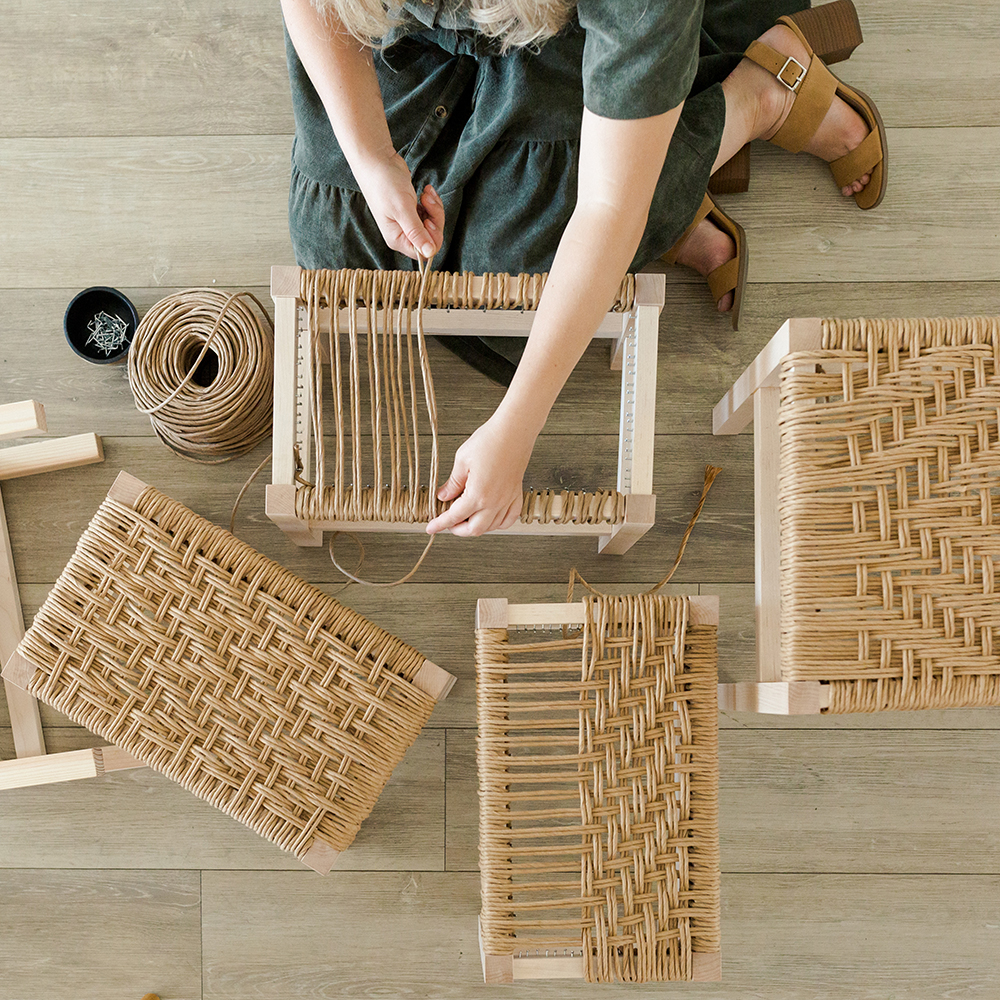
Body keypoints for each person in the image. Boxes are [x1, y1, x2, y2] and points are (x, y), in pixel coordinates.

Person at [280, 0, 885, 538]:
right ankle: (666, 182)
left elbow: (607, 208)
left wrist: (516, 431)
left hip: (563, 33)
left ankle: (758, 99)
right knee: (336, 244)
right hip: (404, 28)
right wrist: (372, 158)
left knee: (521, 296)